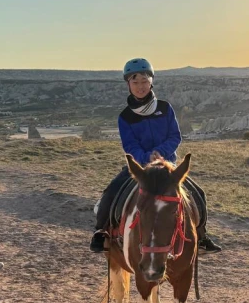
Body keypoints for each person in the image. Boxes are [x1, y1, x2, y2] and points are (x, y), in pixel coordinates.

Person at [89, 58, 221, 254]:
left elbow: (175, 136)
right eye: (135, 82)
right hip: (140, 168)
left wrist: (160, 154)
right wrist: (145, 158)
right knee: (111, 191)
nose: (140, 86)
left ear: (151, 81)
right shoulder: (125, 117)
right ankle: (101, 231)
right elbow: (130, 145)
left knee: (198, 193)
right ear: (128, 84)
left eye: (144, 81)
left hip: (167, 166)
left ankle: (201, 235)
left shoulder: (165, 108)